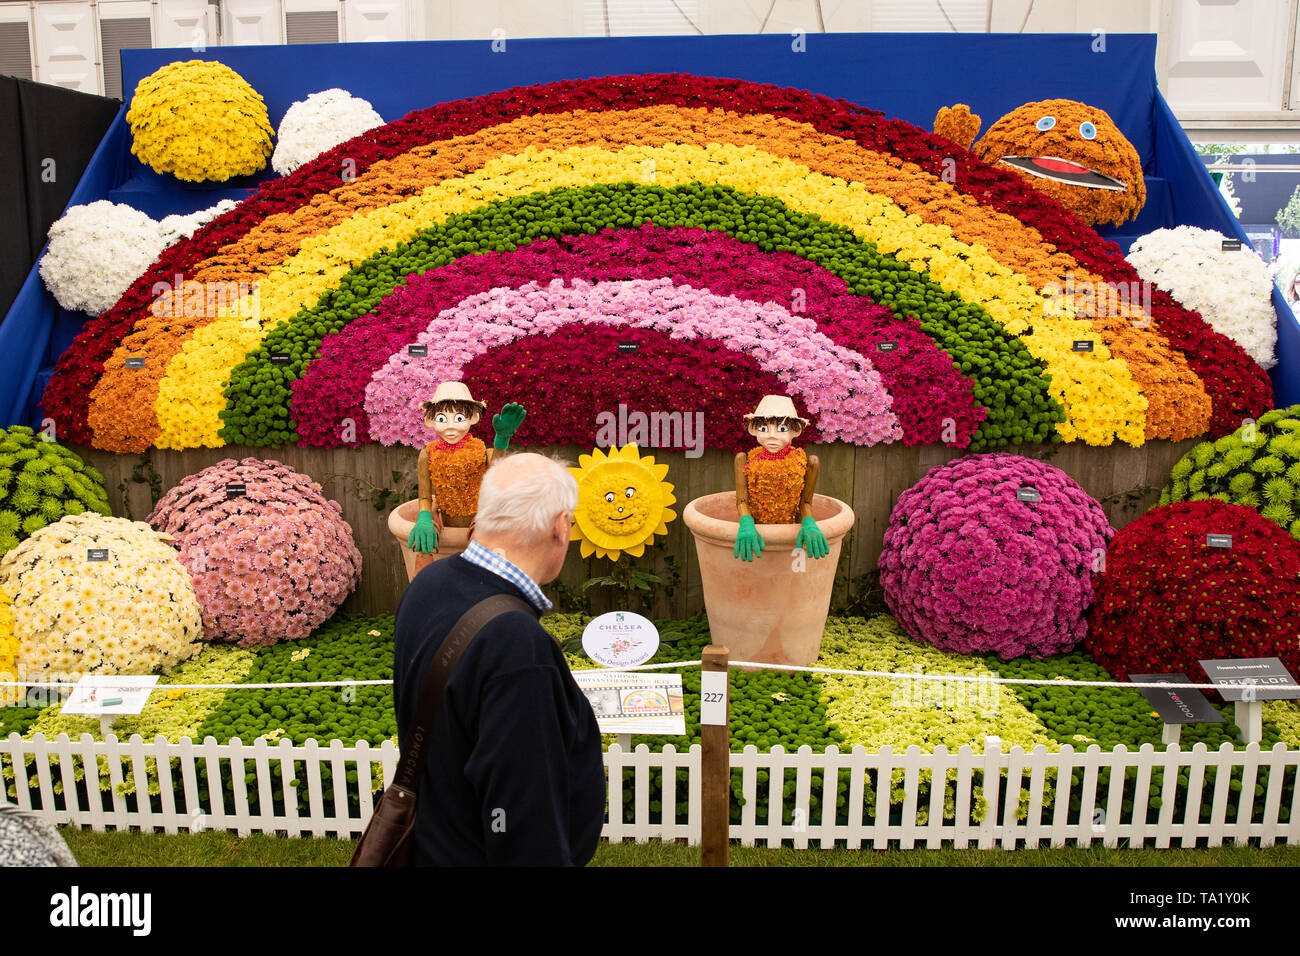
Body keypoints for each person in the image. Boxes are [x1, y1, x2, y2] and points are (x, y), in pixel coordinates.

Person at [392, 452, 605, 866]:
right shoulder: (517, 644)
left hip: (431, 843)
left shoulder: (429, 583)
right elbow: (524, 818)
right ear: (561, 526)